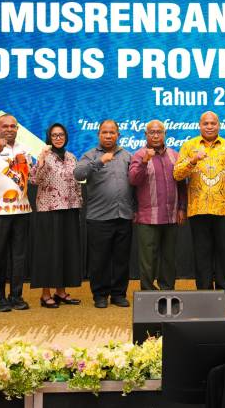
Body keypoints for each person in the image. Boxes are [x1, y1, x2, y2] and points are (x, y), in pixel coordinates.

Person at [174, 111, 225, 309]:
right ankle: (204, 296)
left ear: (218, 125)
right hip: (198, 209)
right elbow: (177, 174)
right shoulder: (189, 146)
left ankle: (223, 294)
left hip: (224, 209)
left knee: (223, 254)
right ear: (199, 125)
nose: (209, 126)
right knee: (202, 255)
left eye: (213, 123)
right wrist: (193, 160)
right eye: (205, 123)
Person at [74, 120, 134, 309]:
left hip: (124, 215)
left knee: (121, 259)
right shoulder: (90, 155)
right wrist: (99, 162)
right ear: (98, 134)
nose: (108, 136)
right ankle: (100, 295)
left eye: (112, 132)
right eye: (105, 132)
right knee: (99, 260)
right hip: (99, 217)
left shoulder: (127, 156)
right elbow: (78, 174)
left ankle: (118, 294)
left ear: (118, 135)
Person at [0, 114, 34, 312]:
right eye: (5, 126)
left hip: (22, 208)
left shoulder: (24, 149)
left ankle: (16, 296)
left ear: (17, 128)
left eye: (13, 126)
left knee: (19, 256)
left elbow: (29, 176)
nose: (9, 129)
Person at [128, 120, 186, 292]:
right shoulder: (139, 155)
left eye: (159, 132)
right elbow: (133, 180)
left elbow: (182, 184)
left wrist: (182, 207)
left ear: (165, 134)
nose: (155, 135)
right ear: (145, 135)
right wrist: (145, 162)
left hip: (171, 215)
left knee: (169, 257)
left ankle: (167, 290)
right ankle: (147, 291)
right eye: (151, 132)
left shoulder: (175, 155)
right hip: (148, 217)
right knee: (148, 259)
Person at [30, 123, 83, 308]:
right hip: (49, 210)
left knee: (65, 251)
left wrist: (79, 203)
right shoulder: (44, 156)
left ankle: (61, 292)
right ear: (49, 138)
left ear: (65, 137)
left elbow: (77, 183)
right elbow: (34, 179)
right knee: (48, 252)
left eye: (61, 135)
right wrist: (41, 161)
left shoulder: (71, 157)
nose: (58, 138)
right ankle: (45, 295)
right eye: (54, 135)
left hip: (70, 209)